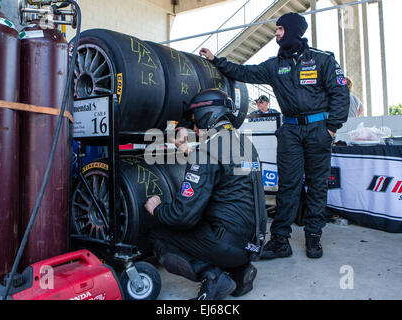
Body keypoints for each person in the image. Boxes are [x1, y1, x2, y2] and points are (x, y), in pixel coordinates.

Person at [200, 12, 350, 259]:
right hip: (290, 130)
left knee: (317, 185)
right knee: (288, 185)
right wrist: (217, 60)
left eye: (279, 29)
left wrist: (331, 128)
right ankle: (280, 240)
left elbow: (340, 94)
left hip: (318, 130)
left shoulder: (323, 60)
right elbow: (244, 72)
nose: (276, 34)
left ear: (291, 31)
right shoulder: (274, 65)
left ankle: (313, 236)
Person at [144, 89, 267, 300]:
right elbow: (219, 167)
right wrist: (186, 148)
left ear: (206, 116)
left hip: (228, 243)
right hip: (252, 243)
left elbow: (183, 216)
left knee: (159, 235)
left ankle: (213, 277)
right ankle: (239, 271)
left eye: (195, 122)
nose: (194, 128)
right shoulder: (243, 143)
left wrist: (157, 209)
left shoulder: (207, 152)